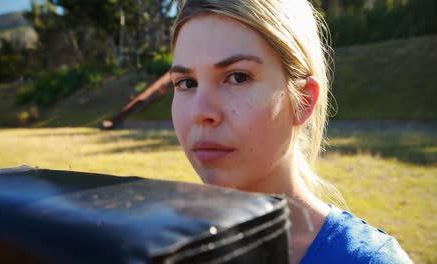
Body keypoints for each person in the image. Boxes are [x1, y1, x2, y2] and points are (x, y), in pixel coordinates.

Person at [169, 0, 412, 263]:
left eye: (238, 77)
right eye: (187, 83)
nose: (200, 112)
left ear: (304, 100)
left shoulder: (366, 259)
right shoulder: (155, 245)